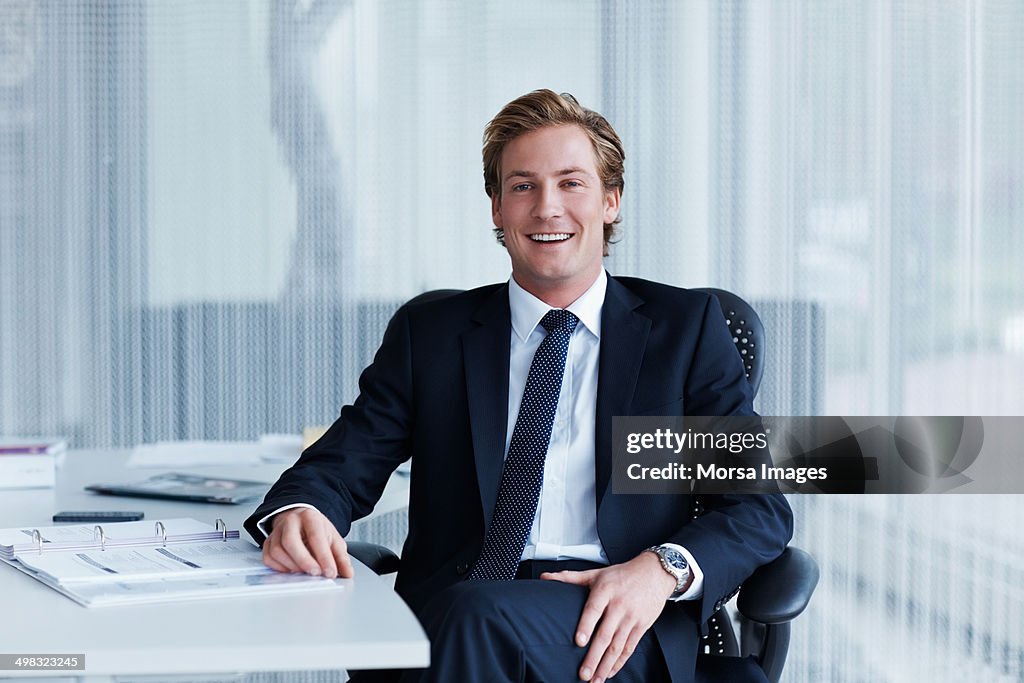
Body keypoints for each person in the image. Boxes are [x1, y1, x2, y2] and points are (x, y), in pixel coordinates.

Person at [245, 89, 792, 683]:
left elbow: (756, 508)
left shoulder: (683, 334)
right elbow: (346, 459)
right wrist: (303, 510)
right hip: (458, 608)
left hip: (613, 625)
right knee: (470, 615)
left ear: (611, 201)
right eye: (523, 186)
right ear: (496, 209)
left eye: (571, 184)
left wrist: (660, 570)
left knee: (472, 620)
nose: (547, 208)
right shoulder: (432, 335)